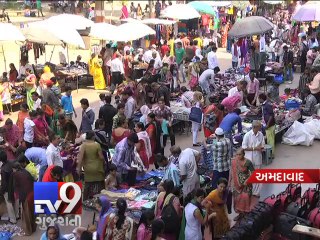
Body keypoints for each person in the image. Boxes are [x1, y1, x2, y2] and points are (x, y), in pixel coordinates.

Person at [10, 162, 36, 236]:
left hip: (26, 195)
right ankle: (33, 228)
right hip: (32, 193)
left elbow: (16, 187)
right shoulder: (25, 171)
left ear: (14, 169)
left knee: (26, 214)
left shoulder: (16, 174)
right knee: (32, 212)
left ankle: (28, 231)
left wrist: (17, 197)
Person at [77, 131, 105, 200]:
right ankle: (100, 200)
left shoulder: (83, 145)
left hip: (88, 168)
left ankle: (85, 200)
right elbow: (101, 157)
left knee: (87, 185)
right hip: (97, 168)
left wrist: (79, 169)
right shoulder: (97, 145)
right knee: (100, 184)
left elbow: (80, 158)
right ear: (93, 137)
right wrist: (104, 162)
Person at [229, 148, 255, 220]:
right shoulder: (234, 161)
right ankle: (240, 215)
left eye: (240, 154)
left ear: (244, 154)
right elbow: (231, 172)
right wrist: (229, 183)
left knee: (245, 198)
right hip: (236, 185)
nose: (238, 156)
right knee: (237, 200)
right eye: (237, 154)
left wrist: (247, 180)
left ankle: (246, 215)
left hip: (246, 185)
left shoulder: (248, 162)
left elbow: (253, 173)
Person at [242, 120, 264, 197]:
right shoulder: (247, 135)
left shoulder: (260, 134)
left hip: (257, 158)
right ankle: (249, 190)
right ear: (255, 127)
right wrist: (255, 148)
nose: (260, 128)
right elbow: (244, 147)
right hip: (249, 159)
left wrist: (261, 148)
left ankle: (256, 192)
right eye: (259, 127)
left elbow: (262, 145)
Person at [0, 151, 17, 224]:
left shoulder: (3, 169)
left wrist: (2, 191)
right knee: (16, 201)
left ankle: (13, 219)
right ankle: (17, 215)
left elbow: (4, 182)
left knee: (9, 203)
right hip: (14, 185)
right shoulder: (11, 162)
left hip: (7, 188)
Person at [259, 93, 275, 158]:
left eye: (259, 98)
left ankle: (271, 154)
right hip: (268, 124)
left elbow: (271, 115)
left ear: (261, 99)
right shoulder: (264, 105)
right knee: (270, 139)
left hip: (270, 125)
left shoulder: (267, 105)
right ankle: (270, 153)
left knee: (270, 140)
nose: (258, 99)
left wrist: (268, 124)